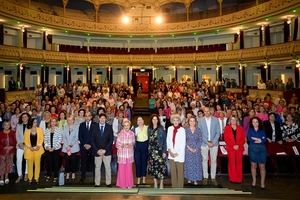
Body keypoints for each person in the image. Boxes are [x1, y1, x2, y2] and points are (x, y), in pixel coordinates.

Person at [198, 107, 220, 186]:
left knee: (213, 161)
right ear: (203, 112)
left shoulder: (216, 120)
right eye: (205, 111)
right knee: (204, 160)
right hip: (204, 143)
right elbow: (200, 133)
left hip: (214, 144)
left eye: (208, 111)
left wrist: (213, 142)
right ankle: (205, 177)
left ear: (210, 111)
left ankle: (213, 177)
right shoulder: (200, 120)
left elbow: (218, 132)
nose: (207, 112)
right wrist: (207, 142)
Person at [91, 113, 114, 187]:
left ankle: (108, 183)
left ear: (106, 119)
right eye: (101, 118)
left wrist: (105, 150)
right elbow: (92, 140)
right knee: (97, 167)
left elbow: (111, 140)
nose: (102, 119)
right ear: (99, 119)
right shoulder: (94, 127)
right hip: (97, 151)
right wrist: (97, 150)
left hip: (107, 151)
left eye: (104, 118)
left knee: (108, 167)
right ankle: (97, 183)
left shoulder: (109, 127)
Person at [147, 114, 167, 189]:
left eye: (156, 119)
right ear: (151, 120)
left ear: (158, 120)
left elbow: (165, 141)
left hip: (160, 151)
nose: (154, 121)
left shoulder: (161, 129)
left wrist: (165, 151)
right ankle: (155, 183)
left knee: (161, 168)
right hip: (152, 152)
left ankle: (161, 183)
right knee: (153, 168)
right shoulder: (149, 129)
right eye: (153, 119)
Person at [224, 117, 246, 183]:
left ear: (237, 121)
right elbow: (226, 138)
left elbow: (243, 139)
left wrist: (238, 145)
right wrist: (233, 145)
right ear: (230, 121)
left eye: (235, 119)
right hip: (231, 148)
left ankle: (239, 178)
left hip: (239, 148)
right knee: (231, 163)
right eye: (232, 119)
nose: (233, 121)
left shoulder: (241, 128)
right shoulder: (227, 128)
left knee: (239, 163)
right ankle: (232, 178)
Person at [167, 114, 186, 188]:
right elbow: (168, 141)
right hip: (171, 153)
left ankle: (180, 187)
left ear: (179, 121)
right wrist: (170, 151)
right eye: (174, 120)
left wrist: (177, 153)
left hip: (179, 154)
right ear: (172, 121)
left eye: (177, 120)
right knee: (173, 172)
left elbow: (183, 143)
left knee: (180, 172)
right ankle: (174, 187)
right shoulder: (169, 128)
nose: (175, 122)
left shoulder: (182, 130)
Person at [247, 117, 267, 189]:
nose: (255, 123)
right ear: (251, 123)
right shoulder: (250, 130)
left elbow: (264, 139)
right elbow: (249, 138)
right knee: (253, 166)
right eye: (253, 122)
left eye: (256, 122)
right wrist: (260, 139)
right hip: (253, 149)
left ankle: (262, 183)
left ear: (259, 123)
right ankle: (254, 182)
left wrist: (259, 140)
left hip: (262, 149)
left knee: (262, 166)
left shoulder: (262, 130)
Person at [24, 118, 45, 184]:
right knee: (29, 165)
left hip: (37, 150)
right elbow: (25, 140)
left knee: (37, 165)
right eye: (34, 122)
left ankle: (36, 178)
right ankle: (30, 178)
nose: (35, 123)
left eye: (36, 122)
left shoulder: (40, 129)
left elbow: (41, 138)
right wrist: (30, 147)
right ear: (31, 123)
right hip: (29, 150)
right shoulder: (27, 130)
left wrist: (38, 146)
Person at [116, 119, 135, 189]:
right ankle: (122, 184)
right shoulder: (120, 134)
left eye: (128, 125)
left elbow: (133, 143)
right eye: (125, 125)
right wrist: (123, 145)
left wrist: (130, 145)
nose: (126, 127)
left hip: (129, 155)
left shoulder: (132, 134)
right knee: (122, 170)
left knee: (129, 170)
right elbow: (117, 145)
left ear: (130, 126)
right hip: (122, 155)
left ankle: (129, 184)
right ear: (123, 126)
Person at [184, 116, 202, 185]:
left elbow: (200, 140)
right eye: (190, 121)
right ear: (188, 122)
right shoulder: (185, 130)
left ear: (195, 122)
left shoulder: (198, 130)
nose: (192, 122)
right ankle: (189, 178)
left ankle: (195, 180)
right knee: (189, 164)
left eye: (193, 121)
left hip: (196, 150)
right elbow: (183, 140)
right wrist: (189, 148)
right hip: (188, 150)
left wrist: (196, 148)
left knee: (196, 164)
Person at [44, 118, 62, 183]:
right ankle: (48, 174)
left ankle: (55, 176)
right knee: (48, 163)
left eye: (54, 121)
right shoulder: (47, 130)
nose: (53, 123)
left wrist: (53, 148)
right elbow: (45, 139)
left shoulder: (59, 130)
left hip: (56, 149)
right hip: (48, 149)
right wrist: (47, 147)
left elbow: (59, 140)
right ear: (50, 122)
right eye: (52, 121)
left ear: (56, 122)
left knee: (55, 163)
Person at [62, 115, 80, 182]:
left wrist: (71, 145)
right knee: (67, 162)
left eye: (71, 120)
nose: (69, 121)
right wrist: (67, 146)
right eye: (68, 120)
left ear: (73, 120)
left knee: (73, 162)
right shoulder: (65, 127)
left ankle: (73, 174)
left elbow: (76, 137)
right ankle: (67, 174)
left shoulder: (77, 127)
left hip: (74, 147)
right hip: (66, 148)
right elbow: (63, 137)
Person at [78, 111, 94, 183]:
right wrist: (84, 144)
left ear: (91, 117)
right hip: (83, 146)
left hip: (92, 146)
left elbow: (95, 136)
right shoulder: (81, 125)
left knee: (93, 163)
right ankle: (82, 177)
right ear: (85, 117)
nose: (87, 117)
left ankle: (95, 177)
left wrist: (90, 144)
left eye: (89, 116)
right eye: (86, 116)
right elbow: (80, 136)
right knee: (83, 162)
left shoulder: (95, 125)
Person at [15, 112, 31, 183]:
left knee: (27, 160)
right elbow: (17, 135)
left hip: (28, 146)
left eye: (25, 117)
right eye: (23, 117)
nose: (24, 118)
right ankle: (19, 175)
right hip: (20, 145)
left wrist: (27, 144)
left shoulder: (31, 125)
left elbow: (31, 136)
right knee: (18, 160)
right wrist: (20, 143)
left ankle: (26, 174)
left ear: (28, 117)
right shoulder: (19, 125)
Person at [133, 116, 149, 185]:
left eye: (141, 120)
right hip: (138, 146)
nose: (139, 121)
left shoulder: (147, 127)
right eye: (138, 120)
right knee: (138, 163)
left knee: (144, 163)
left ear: (143, 121)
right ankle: (138, 179)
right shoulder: (134, 128)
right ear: (137, 122)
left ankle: (144, 180)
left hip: (145, 145)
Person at [0, 121, 16, 186]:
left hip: (11, 152)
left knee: (8, 164)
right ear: (3, 126)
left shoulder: (13, 133)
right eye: (5, 125)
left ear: (10, 125)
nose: (7, 126)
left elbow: (15, 142)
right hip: (2, 152)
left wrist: (12, 147)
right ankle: (1, 178)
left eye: (8, 125)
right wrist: (4, 148)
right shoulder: (0, 133)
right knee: (2, 165)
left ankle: (6, 177)